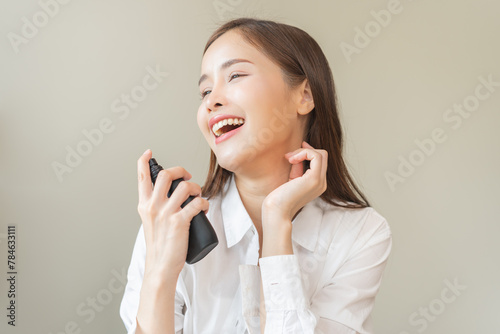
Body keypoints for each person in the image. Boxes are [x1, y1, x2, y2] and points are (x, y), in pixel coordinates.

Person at [120, 17, 392, 334]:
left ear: (304, 96)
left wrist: (276, 222)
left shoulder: (360, 234)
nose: (212, 100)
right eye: (205, 90)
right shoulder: (169, 225)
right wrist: (160, 269)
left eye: (235, 75)